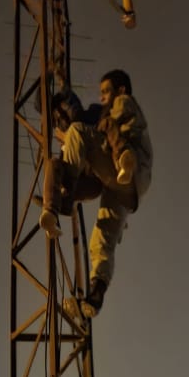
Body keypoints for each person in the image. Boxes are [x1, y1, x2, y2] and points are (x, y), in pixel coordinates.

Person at [40, 69, 152, 318]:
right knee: (102, 240)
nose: (102, 97)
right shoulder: (124, 114)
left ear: (120, 90)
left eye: (106, 92)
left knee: (78, 131)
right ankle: (95, 297)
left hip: (126, 166)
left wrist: (69, 139)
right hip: (128, 189)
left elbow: (102, 129)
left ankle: (63, 197)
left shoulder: (123, 103)